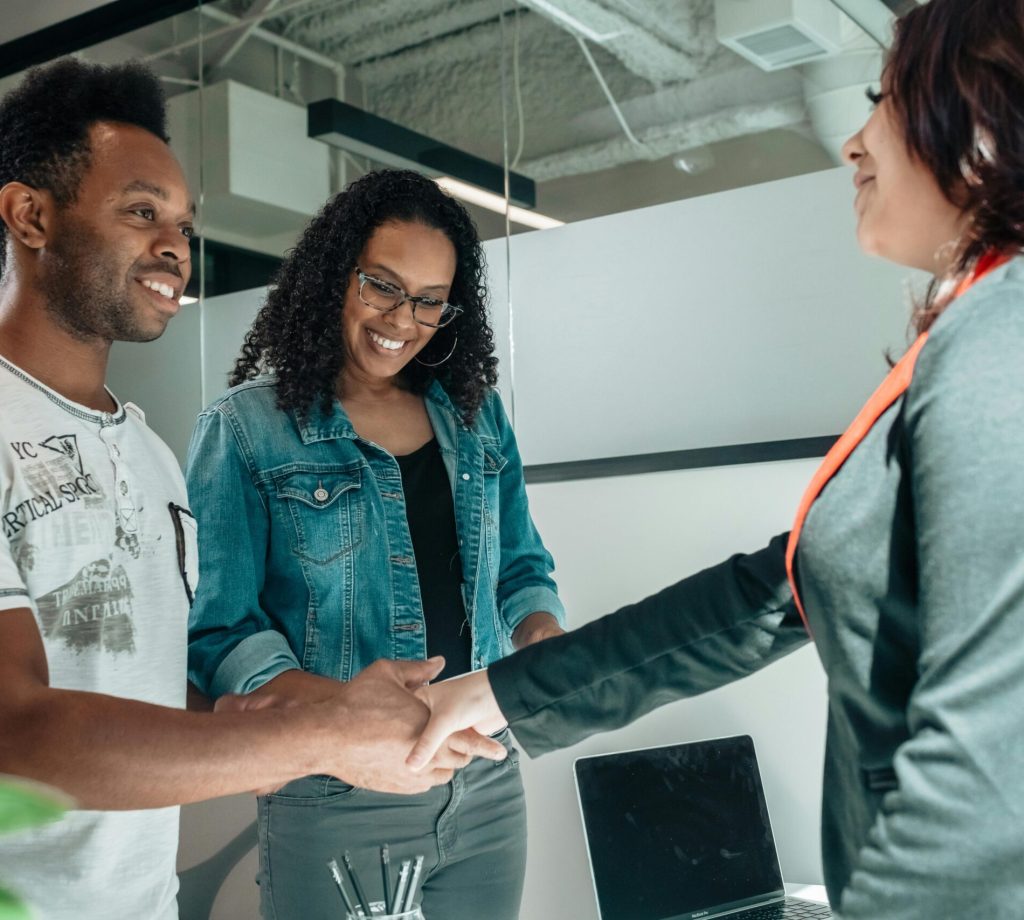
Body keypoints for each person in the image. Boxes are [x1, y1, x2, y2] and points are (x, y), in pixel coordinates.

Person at [408, 1, 1024, 917]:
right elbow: (770, 596)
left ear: (979, 122)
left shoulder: (999, 347)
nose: (853, 145)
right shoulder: (975, 333)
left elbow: (987, 784)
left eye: (883, 100)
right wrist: (500, 691)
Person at [0, 60, 502, 920]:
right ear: (30, 214)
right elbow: (16, 736)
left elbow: (171, 693)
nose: (175, 249)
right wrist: (322, 738)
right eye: (142, 211)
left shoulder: (147, 452)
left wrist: (340, 704)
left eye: (185, 226)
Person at [185, 168, 565, 920]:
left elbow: (522, 567)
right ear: (335, 277)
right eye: (382, 286)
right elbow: (221, 629)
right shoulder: (244, 429)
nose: (404, 317)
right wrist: (344, 716)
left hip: (483, 780)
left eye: (430, 300)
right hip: (335, 785)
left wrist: (543, 636)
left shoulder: (477, 417)